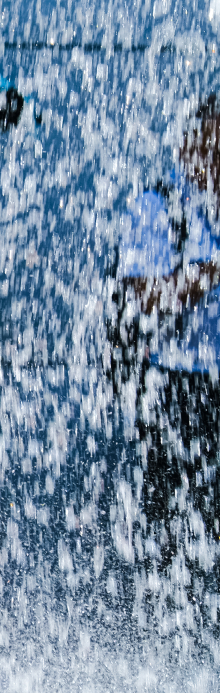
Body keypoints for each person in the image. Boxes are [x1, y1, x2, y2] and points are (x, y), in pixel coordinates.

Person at [112, 95, 220, 629]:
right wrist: (207, 271)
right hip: (179, 387)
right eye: (209, 144)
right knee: (172, 519)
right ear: (188, 144)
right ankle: (165, 640)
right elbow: (147, 297)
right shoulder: (159, 204)